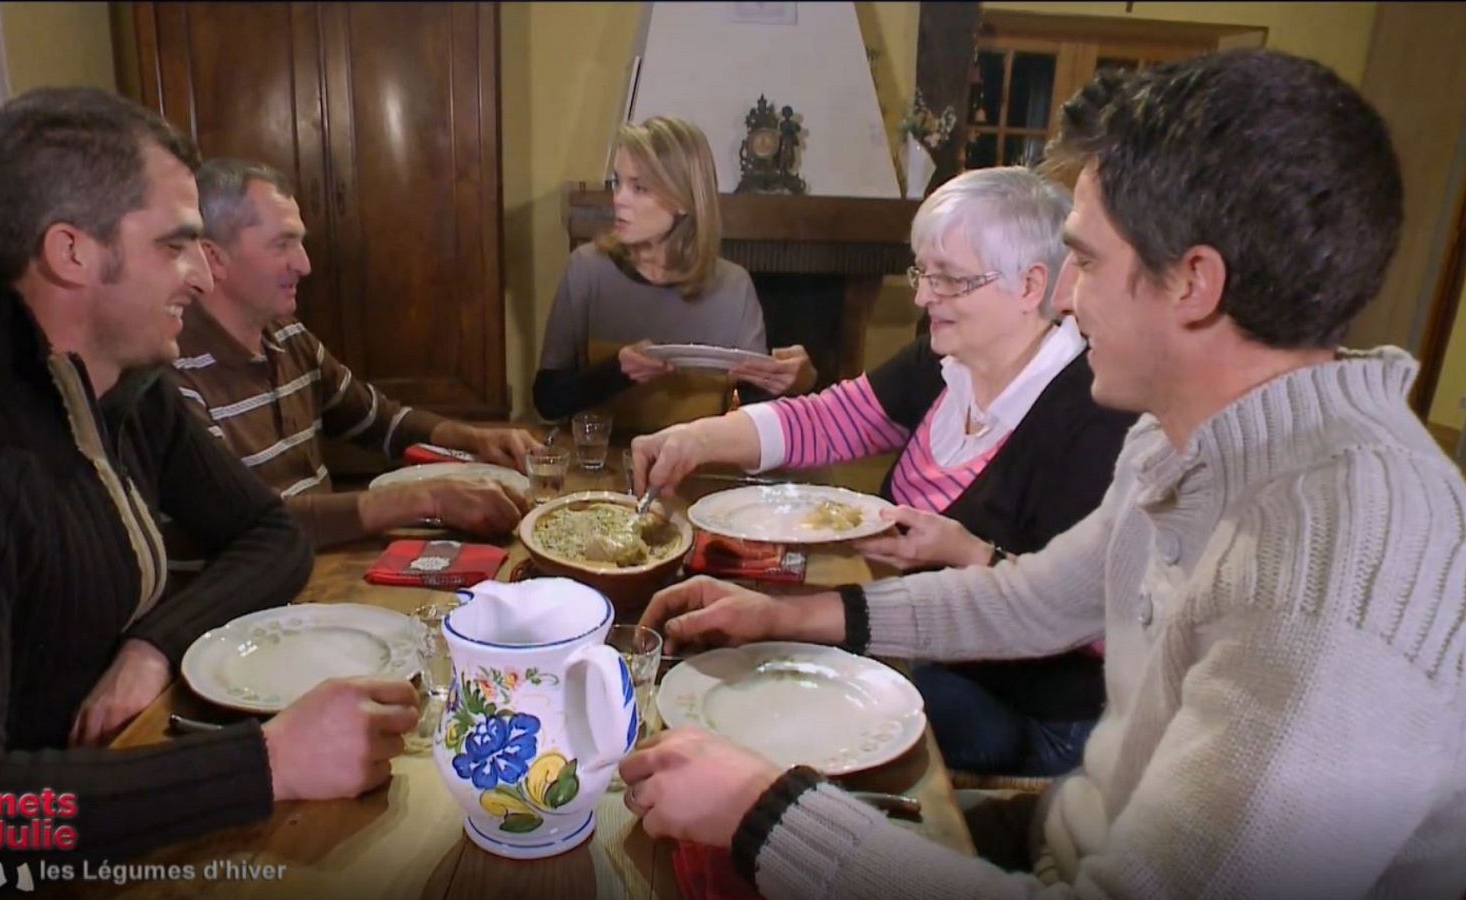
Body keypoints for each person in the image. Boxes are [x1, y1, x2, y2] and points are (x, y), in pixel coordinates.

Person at [621, 50, 1466, 898]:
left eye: (1087, 261)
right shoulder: (1183, 438)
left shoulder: (1339, 565)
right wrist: (788, 615)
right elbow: (1027, 601)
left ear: (1194, 285)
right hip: (1060, 836)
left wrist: (767, 812)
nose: (1062, 299)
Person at [0, 88, 418, 892]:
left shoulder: (130, 390)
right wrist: (259, 763)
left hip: (129, 802)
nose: (200, 276)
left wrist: (152, 645)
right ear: (72, 253)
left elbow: (274, 534)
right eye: (175, 247)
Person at [631, 166, 1138, 776]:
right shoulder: (946, 360)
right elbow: (827, 420)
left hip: (1025, 706)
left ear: (1030, 286)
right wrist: (695, 438)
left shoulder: (1092, 412)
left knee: (786, 710)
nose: (923, 298)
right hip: (913, 639)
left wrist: (971, 552)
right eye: (923, 273)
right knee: (759, 662)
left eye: (949, 279)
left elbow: (1101, 625)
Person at [169, 158, 537, 551]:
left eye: (300, 242)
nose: (304, 265)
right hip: (257, 602)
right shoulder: (175, 377)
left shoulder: (289, 337)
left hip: (319, 569)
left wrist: (475, 440)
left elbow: (378, 419)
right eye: (282, 244)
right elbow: (251, 524)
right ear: (214, 258)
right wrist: (428, 498)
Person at [533, 115, 815, 433]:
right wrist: (615, 371)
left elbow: (755, 413)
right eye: (618, 182)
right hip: (603, 467)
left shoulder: (733, 286)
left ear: (683, 200)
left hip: (696, 466)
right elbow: (547, 400)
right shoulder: (587, 268)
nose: (618, 198)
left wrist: (797, 381)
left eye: (639, 188)